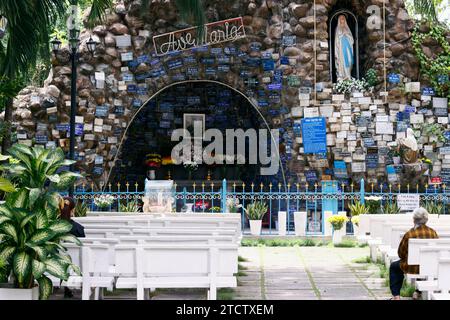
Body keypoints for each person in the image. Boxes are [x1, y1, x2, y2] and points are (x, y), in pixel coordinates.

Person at [389, 207, 438, 300]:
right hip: (429, 267)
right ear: (426, 220)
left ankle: (396, 296)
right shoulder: (433, 233)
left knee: (394, 267)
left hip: (411, 268)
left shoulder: (410, 234)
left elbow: (401, 254)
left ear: (414, 220)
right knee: (424, 263)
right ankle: (417, 292)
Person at [59, 196, 85, 298]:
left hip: (57, 262)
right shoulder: (78, 229)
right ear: (73, 210)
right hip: (75, 264)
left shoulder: (52, 227)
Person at [334, 14, 354, 80]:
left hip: (348, 47)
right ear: (339, 20)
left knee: (350, 60)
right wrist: (342, 35)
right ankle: (342, 77)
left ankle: (348, 76)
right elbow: (336, 40)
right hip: (341, 48)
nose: (342, 20)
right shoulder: (338, 29)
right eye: (341, 18)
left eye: (343, 18)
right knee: (342, 62)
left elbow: (352, 40)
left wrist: (347, 35)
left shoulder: (347, 29)